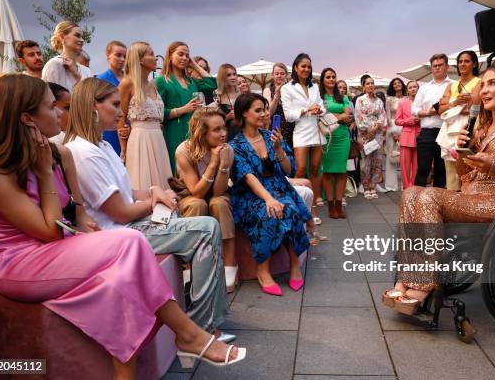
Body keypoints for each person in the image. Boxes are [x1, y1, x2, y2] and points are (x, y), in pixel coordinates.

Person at [0, 74, 245, 378]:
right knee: (130, 241)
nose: (62, 113)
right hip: (20, 264)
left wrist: (83, 222)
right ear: (27, 119)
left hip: (59, 247)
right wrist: (45, 173)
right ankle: (189, 334)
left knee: (118, 285)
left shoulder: (60, 153)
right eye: (52, 108)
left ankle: (162, 353)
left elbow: (74, 211)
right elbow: (48, 231)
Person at [63, 77, 233, 342]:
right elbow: (120, 212)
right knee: (206, 228)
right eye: (116, 105)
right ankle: (203, 326)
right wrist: (153, 202)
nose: (122, 112)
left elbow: (128, 192)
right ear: (93, 107)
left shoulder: (102, 146)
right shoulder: (84, 152)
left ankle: (203, 311)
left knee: (185, 216)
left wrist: (155, 191)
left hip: (130, 223)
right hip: (120, 233)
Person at [384, 64, 495, 315]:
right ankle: (408, 278)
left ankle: (424, 282)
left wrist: (494, 164)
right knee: (411, 193)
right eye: (482, 84)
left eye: (492, 83)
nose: (484, 90)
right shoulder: (481, 126)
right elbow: (466, 177)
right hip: (471, 197)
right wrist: (463, 155)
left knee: (429, 195)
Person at [229, 93, 311, 296]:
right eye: (259, 110)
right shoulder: (235, 146)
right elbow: (248, 177)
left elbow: (288, 170)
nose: (265, 113)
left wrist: (278, 149)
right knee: (268, 214)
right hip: (249, 195)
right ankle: (262, 270)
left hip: (278, 188)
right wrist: (268, 199)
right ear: (244, 114)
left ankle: (294, 265)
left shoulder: (271, 136)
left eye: (265, 109)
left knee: (290, 209)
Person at [175, 107, 238, 293]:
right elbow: (197, 192)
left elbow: (218, 191)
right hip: (190, 194)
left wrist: (224, 164)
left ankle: (229, 263)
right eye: (216, 130)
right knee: (197, 204)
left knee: (219, 203)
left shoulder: (228, 150)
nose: (223, 134)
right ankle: (189, 266)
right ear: (202, 132)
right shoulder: (184, 151)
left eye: (224, 128)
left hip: (217, 194)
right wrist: (212, 164)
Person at [118, 42, 172, 190]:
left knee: (162, 183)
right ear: (140, 59)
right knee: (143, 184)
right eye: (151, 54)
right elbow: (119, 116)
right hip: (140, 139)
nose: (156, 58)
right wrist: (123, 147)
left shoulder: (152, 85)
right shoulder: (127, 83)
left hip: (158, 139)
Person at [155, 41, 216, 173]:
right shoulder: (161, 81)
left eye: (187, 55)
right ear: (170, 56)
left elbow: (212, 84)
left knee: (196, 168)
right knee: (179, 169)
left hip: (195, 131)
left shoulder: (191, 81)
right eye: (180, 54)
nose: (184, 58)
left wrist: (194, 64)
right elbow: (157, 113)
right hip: (174, 131)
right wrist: (183, 109)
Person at [280, 53, 325, 226]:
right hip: (301, 132)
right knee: (300, 170)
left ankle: (313, 208)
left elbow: (322, 106)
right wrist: (306, 110)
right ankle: (297, 206)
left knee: (315, 169)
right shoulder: (287, 88)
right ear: (296, 68)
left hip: (316, 131)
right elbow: (288, 116)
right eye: (303, 66)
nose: (306, 69)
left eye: (308, 66)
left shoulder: (314, 87)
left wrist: (319, 110)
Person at [437, 50, 482, 191]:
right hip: (449, 128)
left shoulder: (480, 82)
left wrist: (449, 105)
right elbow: (439, 109)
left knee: (469, 165)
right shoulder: (451, 85)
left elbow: (473, 105)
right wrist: (455, 103)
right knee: (450, 169)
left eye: (467, 61)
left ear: (474, 64)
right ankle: (452, 200)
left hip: (470, 125)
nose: (462, 64)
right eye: (460, 61)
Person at [411, 53, 451, 188]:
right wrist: (428, 112)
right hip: (426, 132)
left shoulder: (454, 85)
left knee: (441, 171)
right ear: (431, 68)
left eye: (440, 65)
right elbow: (414, 109)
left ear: (447, 67)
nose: (437, 68)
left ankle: (437, 203)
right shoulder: (424, 88)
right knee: (422, 169)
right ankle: (416, 201)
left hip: (445, 132)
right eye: (435, 66)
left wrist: (443, 109)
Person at [318, 68, 352, 218]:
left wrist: (332, 115)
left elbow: (348, 115)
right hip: (327, 137)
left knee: (341, 172)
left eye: (333, 77)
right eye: (328, 77)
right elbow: (321, 115)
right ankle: (330, 206)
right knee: (328, 172)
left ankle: (339, 204)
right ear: (323, 80)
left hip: (343, 136)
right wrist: (339, 116)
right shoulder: (319, 96)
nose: (331, 79)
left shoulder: (342, 96)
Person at [354, 76, 387, 199]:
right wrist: (368, 128)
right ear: (363, 86)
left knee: (377, 161)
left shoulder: (379, 101)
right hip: (365, 134)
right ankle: (366, 186)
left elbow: (383, 116)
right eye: (368, 83)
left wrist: (376, 126)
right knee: (365, 161)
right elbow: (358, 116)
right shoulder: (360, 100)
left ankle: (373, 186)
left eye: (372, 83)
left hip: (377, 133)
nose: (370, 85)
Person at [96, 40, 127, 156]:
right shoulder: (101, 79)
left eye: (125, 56)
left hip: (129, 130)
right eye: (118, 55)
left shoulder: (130, 79)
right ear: (107, 55)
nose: (122, 59)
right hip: (109, 130)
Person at [42, 21, 92, 92]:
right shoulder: (54, 65)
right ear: (62, 37)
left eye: (82, 37)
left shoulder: (86, 71)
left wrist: (77, 75)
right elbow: (51, 98)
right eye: (77, 35)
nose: (82, 40)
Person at [395, 81, 421, 190]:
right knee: (405, 166)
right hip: (406, 137)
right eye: (410, 87)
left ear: (418, 89)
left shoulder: (423, 102)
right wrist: (408, 121)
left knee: (417, 165)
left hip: (420, 135)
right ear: (407, 90)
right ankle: (406, 188)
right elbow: (397, 120)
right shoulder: (402, 103)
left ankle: (414, 188)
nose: (413, 89)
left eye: (415, 87)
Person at [263, 63, 295, 149]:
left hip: (292, 127)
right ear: (272, 75)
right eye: (276, 74)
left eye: (282, 73)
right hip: (275, 127)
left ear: (286, 75)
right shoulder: (268, 90)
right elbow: (269, 113)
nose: (279, 76)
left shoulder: (292, 89)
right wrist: (277, 95)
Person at [384, 78, 407, 192]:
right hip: (392, 128)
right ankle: (391, 185)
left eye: (399, 83)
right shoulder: (389, 99)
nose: (397, 84)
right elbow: (387, 116)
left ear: (402, 85)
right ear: (392, 87)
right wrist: (392, 130)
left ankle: (406, 185)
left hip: (406, 128)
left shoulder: (407, 99)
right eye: (394, 83)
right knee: (391, 156)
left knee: (405, 156)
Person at [212, 63, 240, 141]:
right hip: (226, 134)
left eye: (234, 74)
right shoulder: (217, 95)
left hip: (242, 132)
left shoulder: (241, 93)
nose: (233, 77)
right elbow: (213, 121)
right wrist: (227, 117)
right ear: (222, 77)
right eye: (229, 75)